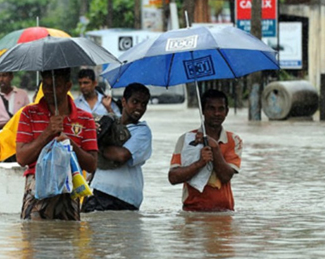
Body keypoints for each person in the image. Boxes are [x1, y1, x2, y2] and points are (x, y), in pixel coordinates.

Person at [15, 68, 98, 221]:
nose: (48, 90)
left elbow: (92, 164)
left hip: (69, 185)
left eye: (56, 85)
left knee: (69, 236)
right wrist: (47, 133)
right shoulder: (28, 114)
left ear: (68, 86)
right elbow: (21, 158)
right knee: (33, 236)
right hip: (37, 182)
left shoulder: (85, 119)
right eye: (45, 85)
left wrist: (69, 143)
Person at [81, 83, 153, 212]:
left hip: (126, 198)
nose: (139, 108)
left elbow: (122, 156)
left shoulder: (142, 131)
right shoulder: (109, 122)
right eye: (135, 102)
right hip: (100, 191)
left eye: (144, 104)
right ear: (124, 102)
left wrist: (97, 146)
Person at [168, 89, 243, 212]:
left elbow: (225, 176)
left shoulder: (234, 140)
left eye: (221, 109)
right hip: (192, 210)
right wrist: (199, 163)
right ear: (203, 111)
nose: (217, 113)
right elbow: (173, 177)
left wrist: (214, 148)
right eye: (211, 108)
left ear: (227, 111)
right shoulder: (186, 139)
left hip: (224, 211)